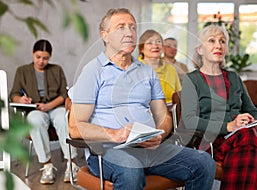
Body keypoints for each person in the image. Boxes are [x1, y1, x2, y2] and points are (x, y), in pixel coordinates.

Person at [68, 8, 215, 190]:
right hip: (108, 151)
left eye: (132, 27)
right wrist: (114, 134)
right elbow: (75, 128)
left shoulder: (147, 71)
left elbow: (164, 117)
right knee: (131, 171)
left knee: (203, 162)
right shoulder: (92, 71)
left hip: (149, 149)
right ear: (104, 36)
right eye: (121, 27)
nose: (129, 33)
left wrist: (160, 134)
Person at [181, 24, 257, 189]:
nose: (218, 45)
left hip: (244, 140)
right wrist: (229, 126)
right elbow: (189, 121)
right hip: (212, 140)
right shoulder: (192, 80)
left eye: (222, 41)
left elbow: (252, 111)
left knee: (250, 139)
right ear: (200, 49)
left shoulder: (234, 77)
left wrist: (254, 121)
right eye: (212, 41)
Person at [9, 39, 79, 184]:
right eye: (38, 57)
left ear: (50, 57)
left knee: (63, 118)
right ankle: (46, 165)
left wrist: (48, 106)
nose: (41, 61)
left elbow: (63, 95)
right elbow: (14, 94)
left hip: (55, 107)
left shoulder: (56, 70)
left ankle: (71, 164)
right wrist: (20, 99)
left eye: (45, 58)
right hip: (35, 109)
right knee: (35, 120)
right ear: (33, 54)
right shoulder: (22, 71)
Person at [138, 30, 181, 105]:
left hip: (171, 112)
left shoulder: (170, 68)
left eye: (158, 42)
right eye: (149, 43)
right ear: (142, 48)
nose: (155, 46)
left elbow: (178, 94)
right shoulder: (135, 69)